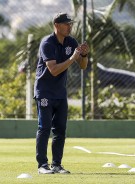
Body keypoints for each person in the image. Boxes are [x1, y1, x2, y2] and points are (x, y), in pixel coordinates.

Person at [34, 12, 89, 174]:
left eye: (70, 24)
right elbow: (54, 70)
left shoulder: (71, 42)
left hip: (60, 93)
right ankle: (42, 166)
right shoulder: (47, 43)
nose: (70, 27)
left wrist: (84, 55)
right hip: (44, 92)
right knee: (44, 128)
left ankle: (57, 164)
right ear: (57, 25)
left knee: (60, 129)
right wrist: (73, 57)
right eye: (66, 24)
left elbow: (83, 65)